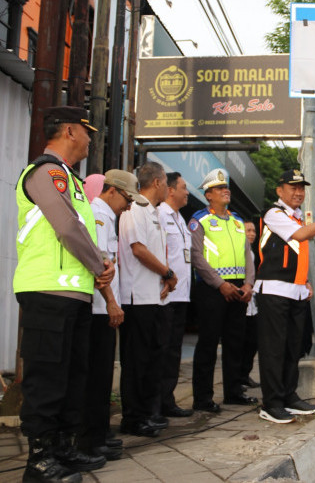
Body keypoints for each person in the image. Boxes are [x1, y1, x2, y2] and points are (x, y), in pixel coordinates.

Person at [14, 106, 114, 481]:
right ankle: (39, 460)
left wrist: (101, 262)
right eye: (87, 131)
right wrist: (98, 265)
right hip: (47, 290)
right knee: (48, 377)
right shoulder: (46, 172)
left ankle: (63, 449)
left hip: (74, 294)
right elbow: (67, 229)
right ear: (70, 131)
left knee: (73, 375)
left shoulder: (71, 180)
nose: (91, 139)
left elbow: (82, 233)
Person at [255, 169, 315, 424]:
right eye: (293, 187)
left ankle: (288, 396)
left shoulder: (296, 217)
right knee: (274, 349)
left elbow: (297, 253)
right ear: (279, 190)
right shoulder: (275, 214)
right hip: (273, 290)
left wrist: (304, 281)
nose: (298, 192)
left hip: (295, 291)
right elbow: (301, 236)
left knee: (293, 347)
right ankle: (271, 403)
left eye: (302, 187)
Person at [81, 170, 147, 462]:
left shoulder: (109, 215)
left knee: (103, 377)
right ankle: (90, 440)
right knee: (95, 378)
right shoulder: (99, 214)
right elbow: (100, 265)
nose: (129, 206)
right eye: (127, 199)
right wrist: (111, 302)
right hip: (97, 308)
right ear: (111, 191)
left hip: (104, 307)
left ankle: (99, 435)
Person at [189, 168, 256, 413]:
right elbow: (197, 257)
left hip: (239, 289)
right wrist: (221, 284)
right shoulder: (199, 220)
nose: (225, 190)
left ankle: (234, 392)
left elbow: (247, 256)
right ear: (208, 195)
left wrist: (248, 284)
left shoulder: (238, 221)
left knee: (235, 343)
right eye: (219, 188)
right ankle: (202, 398)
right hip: (211, 289)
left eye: (225, 187)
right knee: (208, 343)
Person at [119, 161, 175, 437]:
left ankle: (145, 413)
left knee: (152, 358)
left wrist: (164, 279)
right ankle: (132, 418)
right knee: (136, 361)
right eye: (166, 182)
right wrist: (167, 271)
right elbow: (138, 249)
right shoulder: (135, 209)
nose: (168, 188)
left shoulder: (154, 212)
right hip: (135, 297)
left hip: (153, 296)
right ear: (156, 182)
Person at [157, 172, 194, 418]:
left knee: (173, 352)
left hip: (181, 295)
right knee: (161, 351)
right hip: (165, 295)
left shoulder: (180, 219)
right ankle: (157, 403)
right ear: (170, 190)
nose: (187, 192)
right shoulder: (160, 215)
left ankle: (168, 400)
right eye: (183, 187)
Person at [241, 220, 261, 389]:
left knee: (253, 341)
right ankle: (239, 376)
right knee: (242, 341)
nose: (252, 234)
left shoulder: (253, 252)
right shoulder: (240, 249)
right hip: (243, 300)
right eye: (248, 230)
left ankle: (245, 374)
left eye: (253, 231)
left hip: (253, 303)